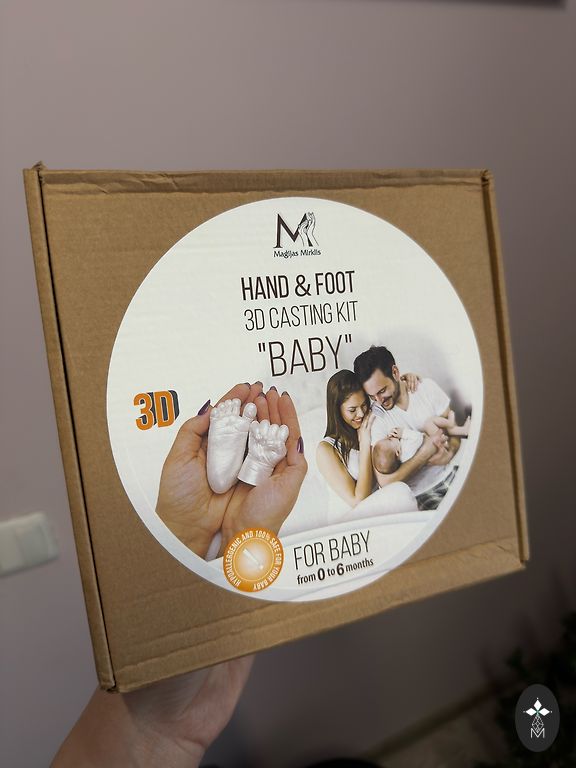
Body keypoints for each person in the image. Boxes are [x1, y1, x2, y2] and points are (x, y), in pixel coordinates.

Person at [156, 382, 308, 558]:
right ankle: (256, 463)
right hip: (239, 559)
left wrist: (179, 527)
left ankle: (256, 462)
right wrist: (242, 535)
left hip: (169, 549)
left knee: (225, 479)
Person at [353, 345, 462, 510]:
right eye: (372, 396)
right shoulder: (376, 419)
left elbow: (454, 433)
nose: (379, 401)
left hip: (453, 474)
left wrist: (451, 452)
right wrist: (424, 454)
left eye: (382, 391)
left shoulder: (426, 388)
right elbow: (385, 482)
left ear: (395, 372)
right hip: (422, 495)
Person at [316, 369, 433, 508]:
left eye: (363, 405)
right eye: (352, 410)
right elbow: (359, 502)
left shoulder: (370, 420)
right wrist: (364, 443)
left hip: (385, 505)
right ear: (337, 410)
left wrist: (408, 379)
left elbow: (390, 392)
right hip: (353, 516)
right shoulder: (326, 450)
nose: (361, 413)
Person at [372, 411, 471, 475]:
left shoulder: (403, 458)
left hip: (436, 445)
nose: (389, 436)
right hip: (437, 446)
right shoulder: (407, 451)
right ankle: (451, 424)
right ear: (397, 452)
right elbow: (418, 438)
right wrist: (403, 433)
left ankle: (460, 430)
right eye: (389, 440)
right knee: (428, 423)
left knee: (440, 431)